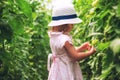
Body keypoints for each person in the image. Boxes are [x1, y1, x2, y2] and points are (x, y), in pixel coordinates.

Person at [47, 4, 96, 80]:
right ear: (64, 25)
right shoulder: (65, 39)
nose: (73, 26)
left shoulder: (53, 37)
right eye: (71, 24)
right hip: (66, 70)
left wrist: (81, 48)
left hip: (57, 70)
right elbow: (75, 56)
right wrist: (90, 53)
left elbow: (65, 54)